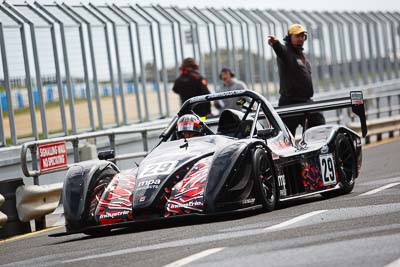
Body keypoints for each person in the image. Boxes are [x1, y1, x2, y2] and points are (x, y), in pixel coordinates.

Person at [267, 24, 325, 135]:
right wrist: (275, 43)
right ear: (290, 37)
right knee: (286, 136)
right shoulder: (286, 52)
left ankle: (314, 150)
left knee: (318, 124)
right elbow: (281, 51)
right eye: (297, 36)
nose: (301, 39)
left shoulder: (301, 55)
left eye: (303, 36)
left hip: (305, 101)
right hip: (289, 102)